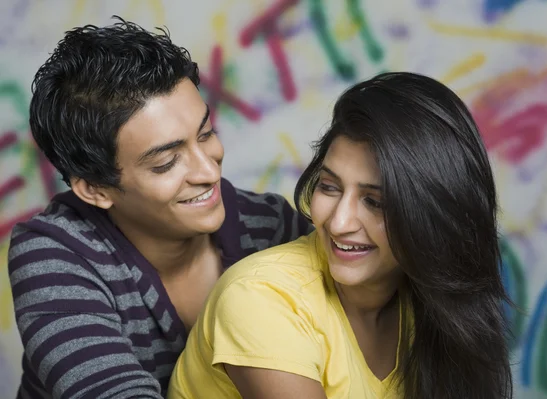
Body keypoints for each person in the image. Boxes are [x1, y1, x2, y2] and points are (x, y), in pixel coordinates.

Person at [7, 16, 312, 399]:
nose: (208, 170)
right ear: (96, 189)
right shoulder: (55, 254)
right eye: (166, 162)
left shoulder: (270, 226)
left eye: (206, 134)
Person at [168, 72, 514, 399]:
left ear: (433, 213)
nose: (339, 222)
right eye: (329, 187)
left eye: (374, 201)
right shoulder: (260, 297)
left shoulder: (429, 300)